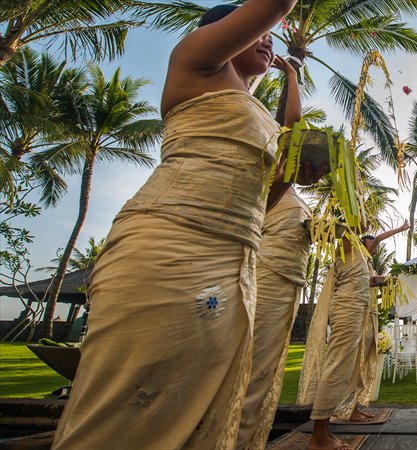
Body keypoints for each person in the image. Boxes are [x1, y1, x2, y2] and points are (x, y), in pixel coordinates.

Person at [50, 2, 330, 448]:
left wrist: (292, 170)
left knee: (202, 411)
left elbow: (268, 187)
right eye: (258, 31)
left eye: (270, 36)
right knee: (132, 411)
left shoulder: (254, 110)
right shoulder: (195, 63)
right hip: (173, 241)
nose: (267, 38)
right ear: (222, 32)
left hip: (234, 261)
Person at [236, 54, 311, 449]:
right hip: (256, 268)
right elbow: (292, 126)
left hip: (285, 275)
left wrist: (293, 75)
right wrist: (290, 75)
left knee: (262, 368)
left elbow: (292, 129)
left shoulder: (282, 184)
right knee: (243, 364)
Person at [296, 233, 373, 450]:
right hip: (346, 310)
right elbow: (356, 225)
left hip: (356, 310)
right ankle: (318, 436)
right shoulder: (348, 241)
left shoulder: (358, 251)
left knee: (344, 370)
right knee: (336, 367)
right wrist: (400, 229)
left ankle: (325, 431)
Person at [334, 222, 410, 423]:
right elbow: (359, 282)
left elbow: (367, 288)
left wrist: (381, 285)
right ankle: (347, 408)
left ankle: (355, 406)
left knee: (364, 361)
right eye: (372, 246)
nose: (375, 249)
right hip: (357, 314)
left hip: (370, 313)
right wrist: (400, 230)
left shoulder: (367, 264)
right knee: (355, 361)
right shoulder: (351, 258)